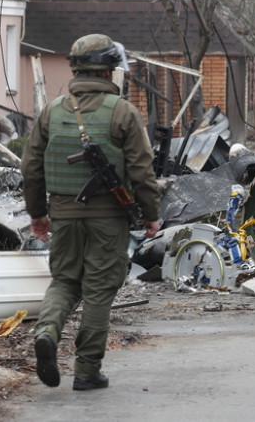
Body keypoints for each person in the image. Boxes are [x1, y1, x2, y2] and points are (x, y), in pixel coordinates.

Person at [22, 34, 161, 391]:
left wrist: (38, 214)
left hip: (63, 215)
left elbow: (31, 168)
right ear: (110, 70)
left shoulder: (51, 111)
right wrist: (151, 214)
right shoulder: (123, 112)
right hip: (108, 218)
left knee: (65, 281)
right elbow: (142, 172)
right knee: (99, 289)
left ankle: (47, 334)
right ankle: (86, 371)